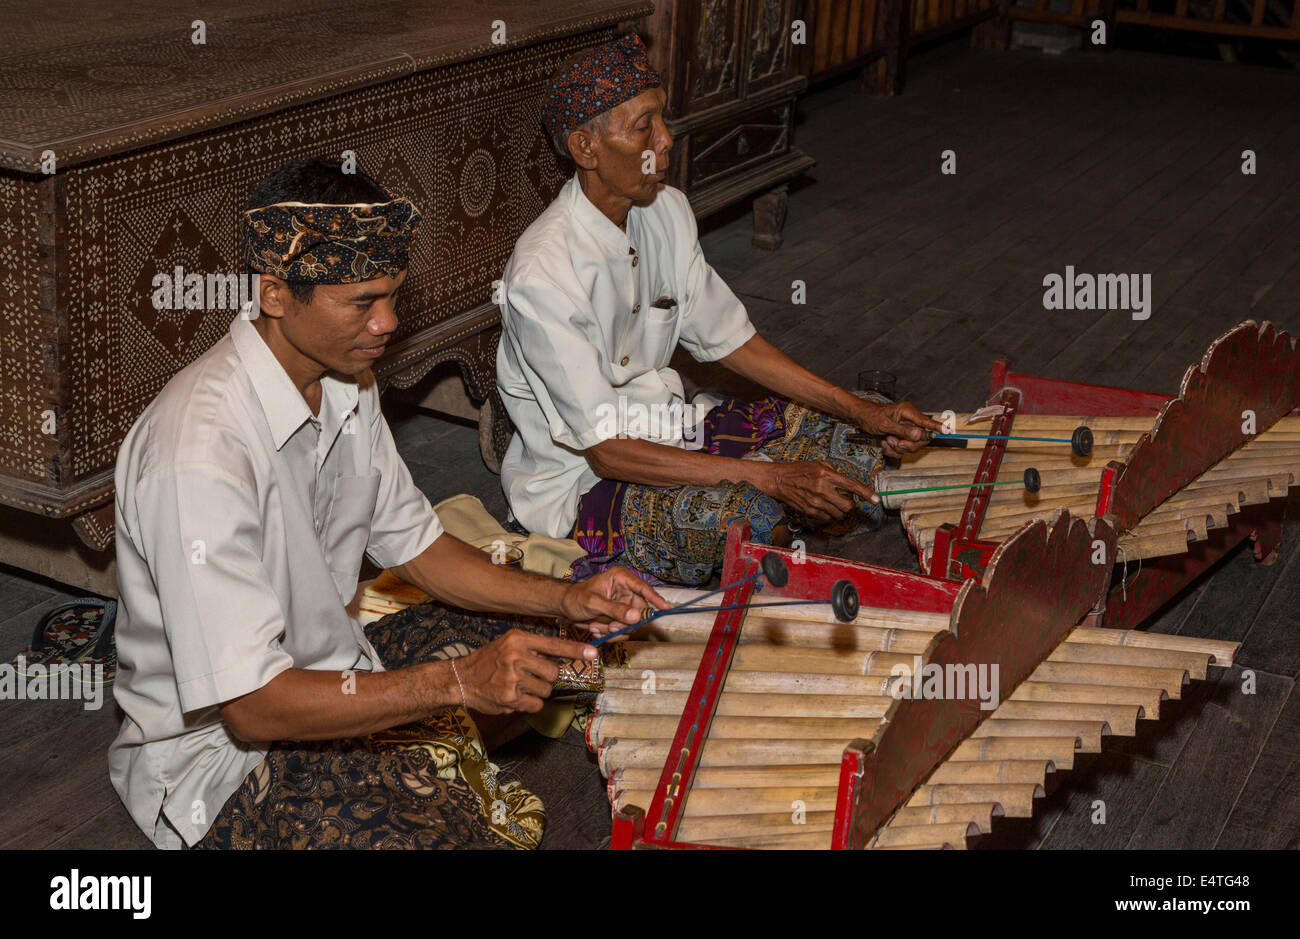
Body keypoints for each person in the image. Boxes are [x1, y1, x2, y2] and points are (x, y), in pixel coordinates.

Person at [109, 156, 665, 850]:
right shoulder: (197, 451)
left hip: (338, 672)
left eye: (393, 296)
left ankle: (420, 757)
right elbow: (250, 708)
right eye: (362, 302)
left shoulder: (348, 382)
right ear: (276, 293)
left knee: (565, 649)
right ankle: (417, 767)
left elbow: (421, 547)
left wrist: (565, 598)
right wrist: (455, 682)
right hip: (225, 762)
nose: (388, 323)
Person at [495, 33, 942, 586]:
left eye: (663, 119)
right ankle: (794, 533)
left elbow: (731, 340)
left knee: (861, 432)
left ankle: (799, 524)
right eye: (644, 128)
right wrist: (770, 478)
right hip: (585, 484)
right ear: (585, 148)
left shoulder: (666, 211)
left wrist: (858, 410)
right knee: (740, 519)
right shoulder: (543, 273)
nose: (666, 139)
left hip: (674, 429)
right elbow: (609, 453)